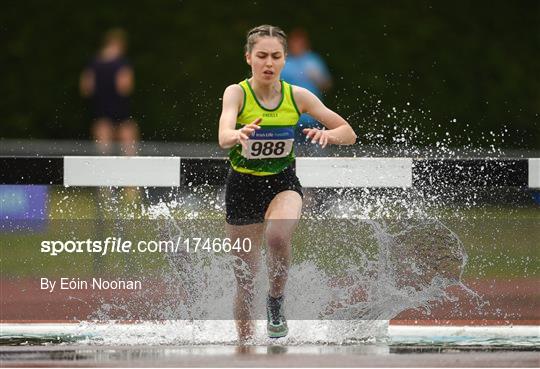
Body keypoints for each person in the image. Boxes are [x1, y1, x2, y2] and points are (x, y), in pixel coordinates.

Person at [218, 25, 357, 341]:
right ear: (249, 58)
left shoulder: (298, 96)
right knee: (246, 279)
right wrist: (236, 135)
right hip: (242, 187)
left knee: (278, 236)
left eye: (276, 57)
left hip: (282, 182)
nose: (269, 63)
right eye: (262, 56)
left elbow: (348, 132)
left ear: (284, 60)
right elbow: (224, 134)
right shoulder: (237, 93)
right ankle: (245, 346)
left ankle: (276, 301)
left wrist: (329, 135)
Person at [80, 28, 138, 155]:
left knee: (103, 153)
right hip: (121, 112)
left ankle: (105, 173)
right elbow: (125, 87)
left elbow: (86, 89)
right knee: (129, 151)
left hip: (100, 111)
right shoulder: (122, 63)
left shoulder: (94, 63)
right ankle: (130, 173)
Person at [280, 28, 332, 154]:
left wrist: (318, 78)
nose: (297, 46)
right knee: (293, 154)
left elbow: (327, 85)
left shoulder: (314, 60)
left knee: (317, 154)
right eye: (294, 43)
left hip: (313, 117)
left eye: (300, 43)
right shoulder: (284, 63)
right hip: (291, 117)